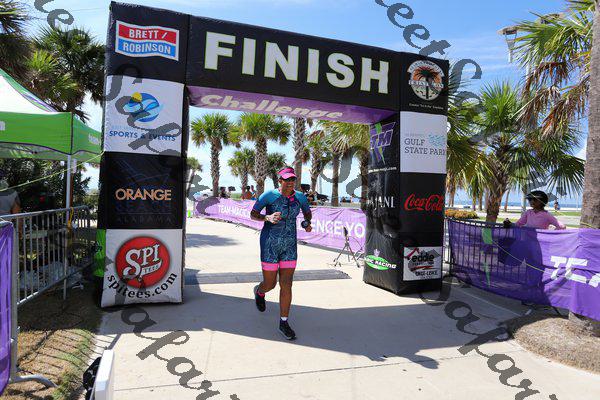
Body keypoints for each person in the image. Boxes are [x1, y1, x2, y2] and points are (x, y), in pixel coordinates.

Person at [250, 167, 312, 340]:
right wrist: (267, 217)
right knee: (270, 284)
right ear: (280, 181)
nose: (290, 182)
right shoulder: (269, 195)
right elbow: (253, 213)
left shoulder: (300, 197)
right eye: (287, 179)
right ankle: (260, 291)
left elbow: (308, 214)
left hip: (290, 245)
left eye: (292, 179)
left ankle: (283, 322)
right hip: (270, 243)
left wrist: (307, 223)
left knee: (287, 284)